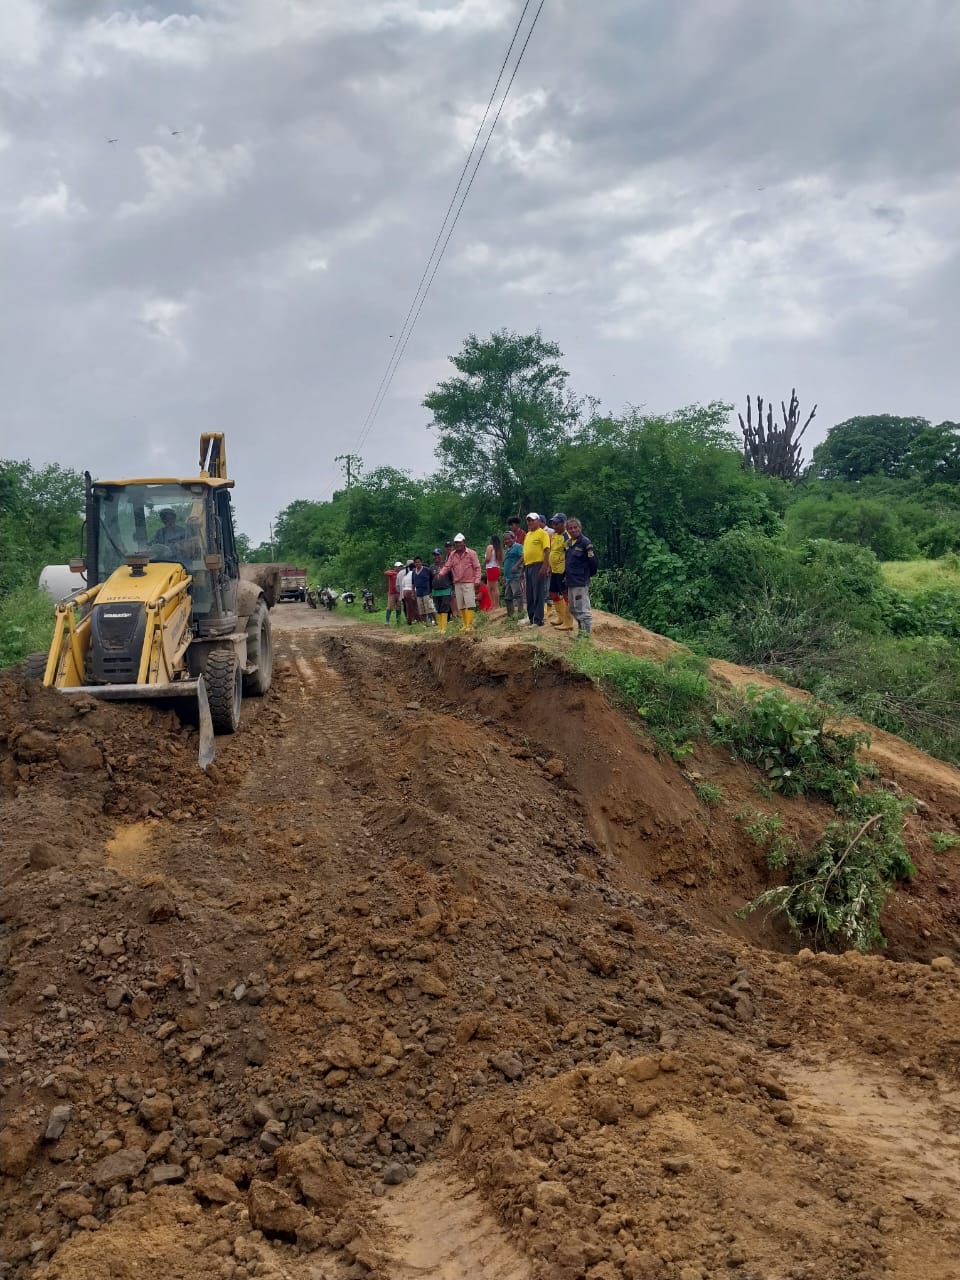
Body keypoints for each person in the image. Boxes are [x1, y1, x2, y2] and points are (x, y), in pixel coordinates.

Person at [564, 517, 598, 634]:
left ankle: (585, 636)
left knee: (583, 610)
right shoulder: (568, 543)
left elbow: (593, 562)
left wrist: (587, 575)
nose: (573, 530)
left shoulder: (585, 543)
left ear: (580, 528)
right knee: (573, 608)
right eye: (570, 528)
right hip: (571, 581)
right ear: (567, 530)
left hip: (580, 581)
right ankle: (581, 631)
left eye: (575, 527)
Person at [443, 533, 481, 631]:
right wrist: (441, 573)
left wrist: (477, 580)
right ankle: (465, 624)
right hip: (457, 582)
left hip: (468, 581)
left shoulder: (471, 553)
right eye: (456, 543)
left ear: (464, 542)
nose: (458, 544)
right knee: (461, 605)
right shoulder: (452, 554)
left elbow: (477, 567)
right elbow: (447, 566)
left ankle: (470, 625)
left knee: (470, 604)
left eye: (460, 542)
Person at [521, 513, 551, 627]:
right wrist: (522, 570)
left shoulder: (542, 533)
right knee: (529, 593)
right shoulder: (528, 534)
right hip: (528, 566)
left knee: (538, 592)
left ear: (538, 521)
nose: (530, 522)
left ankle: (538, 620)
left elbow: (547, 550)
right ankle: (531, 618)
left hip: (538, 565)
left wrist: (544, 566)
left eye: (532, 520)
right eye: (528, 521)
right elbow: (526, 553)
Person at [547, 513, 574, 631]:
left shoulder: (567, 537)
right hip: (554, 570)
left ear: (564, 523)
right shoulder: (554, 535)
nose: (554, 526)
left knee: (566, 594)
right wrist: (549, 566)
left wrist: (568, 572)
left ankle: (568, 622)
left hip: (563, 570)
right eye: (553, 524)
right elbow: (553, 551)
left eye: (557, 524)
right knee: (553, 593)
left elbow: (570, 555)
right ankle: (561, 617)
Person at [501, 530, 524, 619]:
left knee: (517, 594)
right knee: (507, 597)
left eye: (509, 539)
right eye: (505, 539)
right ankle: (510, 616)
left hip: (515, 575)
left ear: (513, 538)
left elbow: (523, 556)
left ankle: (521, 613)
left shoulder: (518, 546)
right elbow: (506, 564)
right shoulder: (506, 550)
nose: (507, 541)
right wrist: (504, 576)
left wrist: (516, 566)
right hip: (508, 577)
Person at [431, 553, 454, 633]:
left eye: (438, 555)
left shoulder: (447, 566)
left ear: (441, 555)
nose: (436, 557)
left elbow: (451, 578)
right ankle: (439, 628)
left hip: (445, 590)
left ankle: (444, 627)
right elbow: (429, 580)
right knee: (438, 608)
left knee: (444, 608)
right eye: (435, 555)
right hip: (435, 591)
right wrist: (430, 591)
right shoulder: (431, 567)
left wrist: (452, 588)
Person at [412, 556, 436, 625]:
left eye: (419, 562)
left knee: (430, 608)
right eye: (416, 562)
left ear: (421, 562)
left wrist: (431, 591)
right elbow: (413, 583)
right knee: (421, 609)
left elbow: (432, 580)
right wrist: (413, 592)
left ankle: (436, 621)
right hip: (418, 593)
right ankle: (426, 623)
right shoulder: (414, 572)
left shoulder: (426, 570)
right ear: (414, 563)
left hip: (427, 592)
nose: (417, 563)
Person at [483, 535, 503, 609]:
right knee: (490, 588)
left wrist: (483, 563)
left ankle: (496, 605)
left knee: (494, 588)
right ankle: (493, 604)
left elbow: (488, 558)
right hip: (496, 568)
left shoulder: (490, 547)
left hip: (491, 568)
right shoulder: (499, 549)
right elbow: (500, 561)